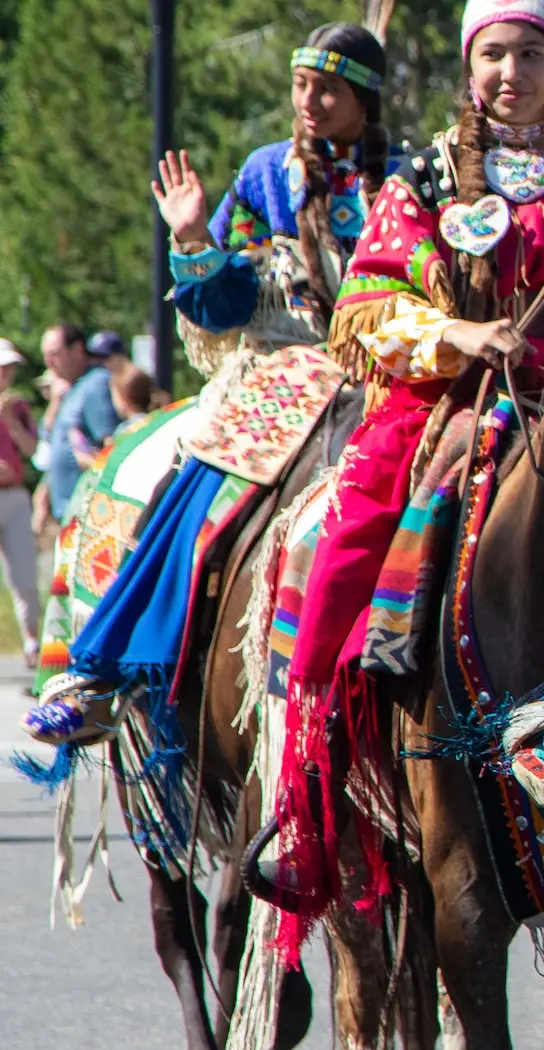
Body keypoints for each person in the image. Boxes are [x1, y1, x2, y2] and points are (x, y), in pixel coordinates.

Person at [264, 0, 544, 947]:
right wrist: (460, 332)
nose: (510, 73)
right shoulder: (426, 179)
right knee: (345, 538)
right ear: (473, 71)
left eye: (529, 54)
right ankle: (315, 786)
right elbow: (366, 299)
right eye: (494, 55)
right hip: (453, 402)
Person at [23, 22, 401, 750]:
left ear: (366, 98)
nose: (310, 101)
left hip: (388, 370)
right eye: (301, 85)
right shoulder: (267, 174)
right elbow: (225, 308)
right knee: (196, 484)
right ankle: (104, 667)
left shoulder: (408, 177)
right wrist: (195, 239)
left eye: (328, 88)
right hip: (285, 368)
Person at [36, 326, 115, 530]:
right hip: (68, 513)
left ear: (78, 350)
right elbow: (47, 438)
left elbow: (111, 445)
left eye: (55, 354)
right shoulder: (71, 388)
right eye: (46, 356)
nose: (48, 362)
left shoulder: (95, 385)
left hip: (88, 514)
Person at [0, 339, 39, 668]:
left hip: (14, 495)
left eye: (9, 368)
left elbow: (30, 451)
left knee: (24, 572)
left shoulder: (18, 407)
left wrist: (10, 421)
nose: (6, 374)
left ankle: (32, 640)